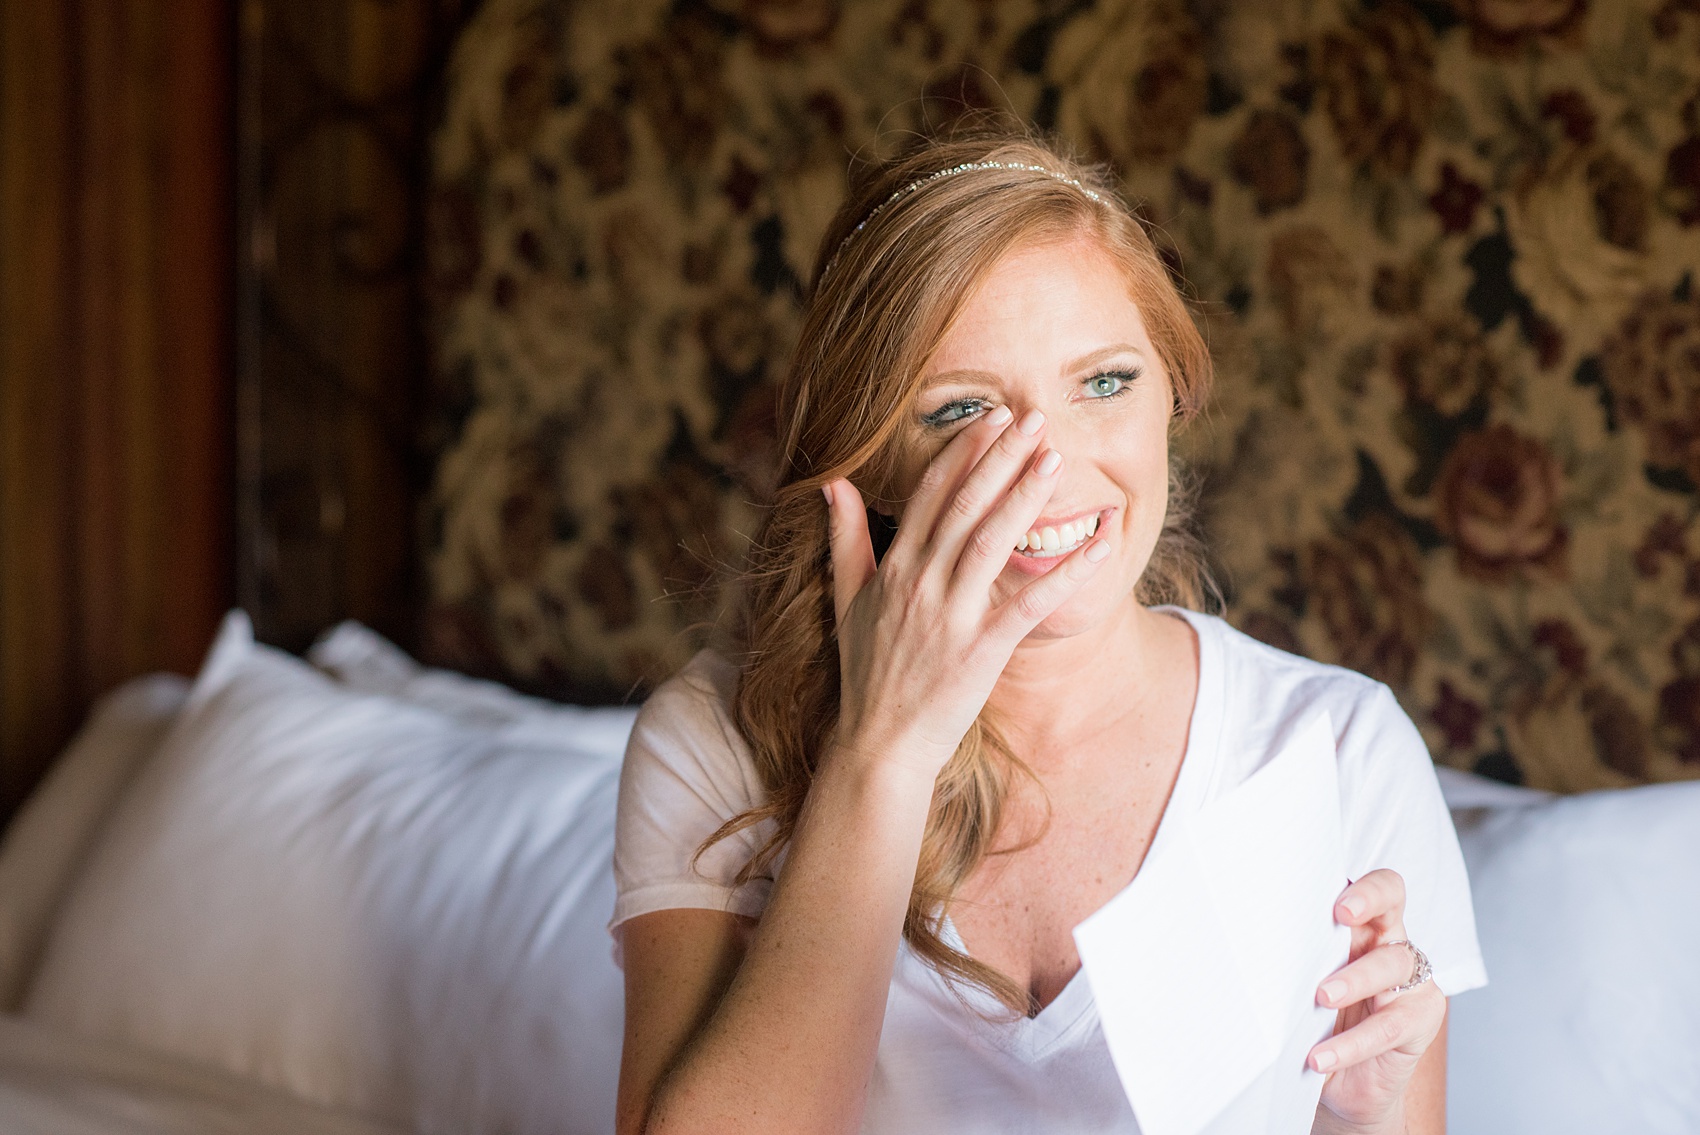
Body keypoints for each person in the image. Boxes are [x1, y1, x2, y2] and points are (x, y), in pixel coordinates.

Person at [609, 128, 1486, 1135]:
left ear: (1172, 391)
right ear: (868, 460)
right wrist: (880, 754)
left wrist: (1362, 1116)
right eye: (961, 410)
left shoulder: (1335, 750)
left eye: (1104, 382)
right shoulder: (717, 742)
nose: (1049, 469)